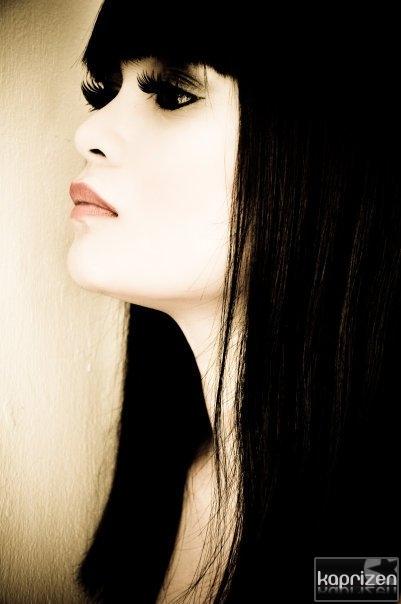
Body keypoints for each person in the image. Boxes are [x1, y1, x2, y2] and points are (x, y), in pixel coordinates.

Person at [67, 2, 401, 602]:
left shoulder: (375, 573)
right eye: (103, 92)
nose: (87, 133)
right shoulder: (172, 492)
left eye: (172, 94)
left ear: (330, 151)